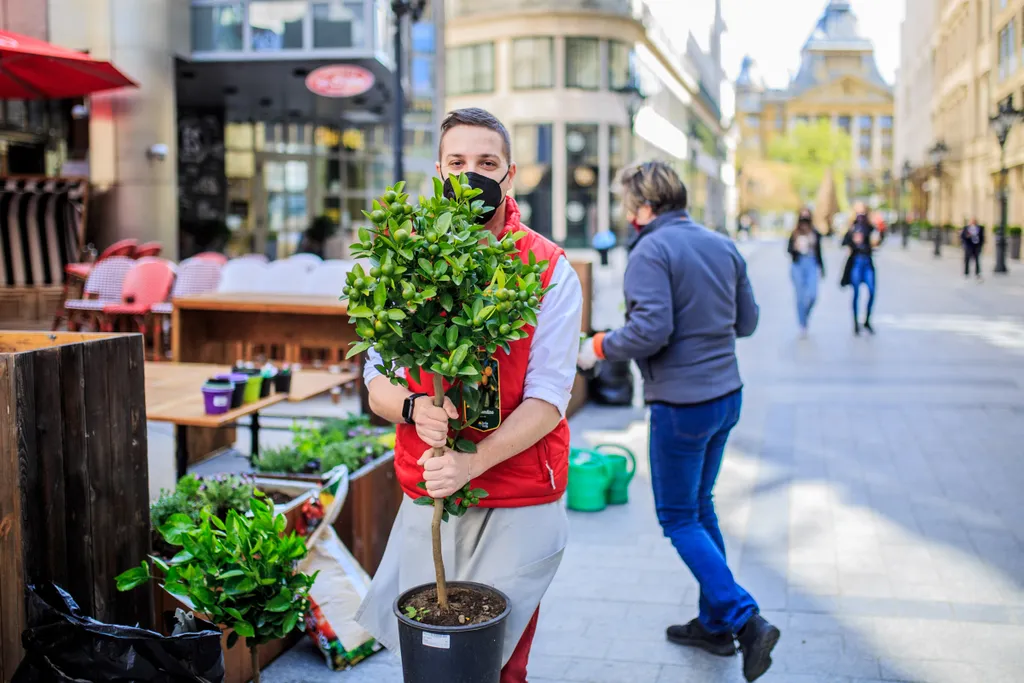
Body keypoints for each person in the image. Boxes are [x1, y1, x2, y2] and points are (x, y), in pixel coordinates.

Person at [354, 108, 584, 683]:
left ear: (510, 176)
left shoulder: (549, 270)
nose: (471, 173)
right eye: (457, 162)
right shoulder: (404, 260)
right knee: (429, 655)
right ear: (438, 171)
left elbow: (550, 398)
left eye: (487, 162)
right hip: (428, 485)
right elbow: (376, 378)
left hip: (519, 491)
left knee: (496, 662)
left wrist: (473, 461)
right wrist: (413, 407)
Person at [576, 161, 780, 683]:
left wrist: (596, 347)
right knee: (700, 505)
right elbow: (749, 322)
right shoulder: (720, 244)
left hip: (681, 405)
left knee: (678, 517)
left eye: (626, 204)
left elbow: (649, 331)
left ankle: (744, 619)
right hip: (726, 397)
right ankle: (714, 626)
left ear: (643, 208)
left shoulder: (650, 250)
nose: (626, 214)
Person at [840, 202, 879, 335]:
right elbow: (844, 242)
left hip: (867, 261)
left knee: (872, 291)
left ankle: (867, 320)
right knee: (856, 293)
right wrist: (851, 239)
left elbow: (877, 241)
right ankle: (856, 322)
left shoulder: (869, 226)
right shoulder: (852, 227)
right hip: (856, 261)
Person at [787, 208, 825, 336]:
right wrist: (795, 248)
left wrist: (822, 268)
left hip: (811, 263)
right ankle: (802, 323)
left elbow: (819, 252)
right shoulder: (795, 233)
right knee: (800, 297)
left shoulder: (815, 233)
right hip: (798, 264)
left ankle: (806, 315)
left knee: (812, 295)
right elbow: (788, 250)